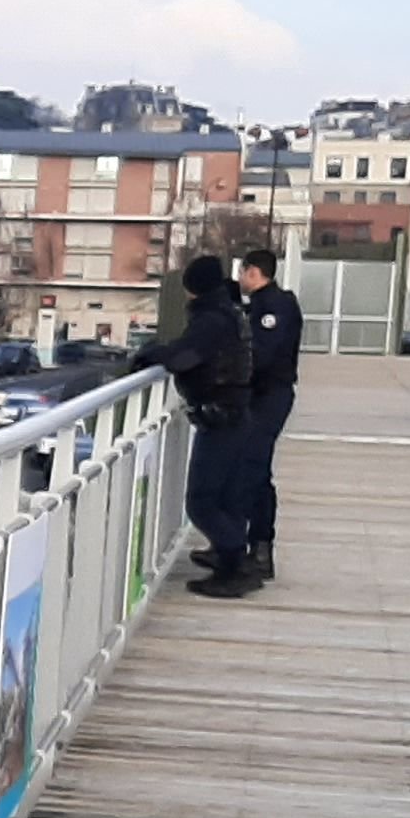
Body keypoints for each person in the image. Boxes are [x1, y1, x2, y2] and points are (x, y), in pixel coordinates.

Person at [130, 252, 261, 597]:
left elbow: (184, 357)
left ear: (194, 288)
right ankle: (233, 558)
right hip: (236, 414)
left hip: (220, 417)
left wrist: (149, 354)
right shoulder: (230, 314)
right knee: (226, 497)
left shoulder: (210, 320)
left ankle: (233, 566)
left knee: (201, 501)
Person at [234, 246, 304, 584]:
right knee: (248, 466)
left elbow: (262, 355)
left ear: (252, 272)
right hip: (262, 396)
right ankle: (244, 544)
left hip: (268, 396)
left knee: (254, 467)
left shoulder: (272, 308)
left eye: (241, 272)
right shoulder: (269, 305)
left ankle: (259, 549)